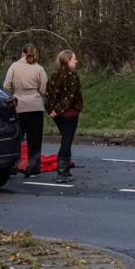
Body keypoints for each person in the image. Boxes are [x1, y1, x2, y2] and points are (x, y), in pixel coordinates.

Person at [3, 44, 48, 178]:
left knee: (17, 137)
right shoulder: (39, 69)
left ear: (22, 54)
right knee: (34, 139)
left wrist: (13, 94)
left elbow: (6, 86)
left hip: (18, 105)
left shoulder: (14, 67)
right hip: (35, 106)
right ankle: (33, 168)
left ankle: (13, 165)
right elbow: (44, 89)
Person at [44, 49, 83, 184]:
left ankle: (65, 170)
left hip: (58, 115)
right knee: (66, 141)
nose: (76, 61)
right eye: (74, 59)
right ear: (67, 60)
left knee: (65, 140)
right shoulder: (72, 77)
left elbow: (48, 94)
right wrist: (59, 110)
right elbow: (70, 97)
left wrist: (51, 110)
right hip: (69, 114)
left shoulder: (54, 75)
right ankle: (62, 172)